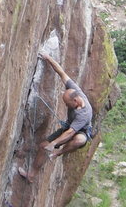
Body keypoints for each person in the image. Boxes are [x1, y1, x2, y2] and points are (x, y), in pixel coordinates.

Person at [18, 51, 93, 182]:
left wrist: (54, 144)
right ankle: (31, 175)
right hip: (70, 127)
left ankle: (58, 153)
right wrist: (48, 58)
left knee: (79, 140)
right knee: (43, 147)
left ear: (76, 101)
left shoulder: (84, 113)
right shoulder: (75, 90)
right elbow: (62, 73)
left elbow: (71, 133)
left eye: (67, 104)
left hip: (80, 131)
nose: (66, 106)